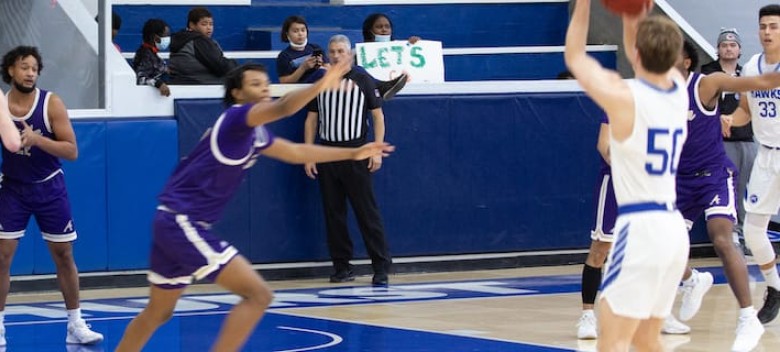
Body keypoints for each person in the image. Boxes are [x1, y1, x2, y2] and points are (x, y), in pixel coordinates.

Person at [115, 59, 393, 352]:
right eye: (255, 84)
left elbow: (296, 152)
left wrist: (351, 154)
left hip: (170, 222)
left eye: (265, 83)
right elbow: (285, 107)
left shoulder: (254, 132)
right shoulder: (237, 118)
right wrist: (324, 82)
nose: (264, 89)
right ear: (237, 93)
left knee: (159, 311)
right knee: (258, 295)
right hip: (183, 223)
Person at [565, 1, 689, 351]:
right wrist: (638, 12)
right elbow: (642, 46)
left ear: (635, 52)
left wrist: (585, 4)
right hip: (673, 228)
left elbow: (575, 57)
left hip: (641, 230)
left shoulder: (623, 97)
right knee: (647, 340)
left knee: (613, 339)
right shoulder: (679, 90)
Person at [672, 38, 780, 351]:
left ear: (687, 61)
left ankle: (748, 318)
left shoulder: (707, 84)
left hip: (713, 177)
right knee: (662, 249)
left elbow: (758, 81)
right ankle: (693, 280)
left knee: (722, 238)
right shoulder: (657, 93)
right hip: (678, 181)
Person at [0, 46, 104, 346]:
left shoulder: (51, 103)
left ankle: (75, 323)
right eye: (24, 67)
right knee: (2, 256)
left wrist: (36, 139)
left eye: (34, 68)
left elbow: (71, 150)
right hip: (13, 188)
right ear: (11, 70)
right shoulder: (2, 106)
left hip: (49, 187)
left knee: (64, 254)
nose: (30, 73)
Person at [576, 115, 691, 340]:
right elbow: (603, 144)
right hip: (616, 183)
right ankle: (588, 315)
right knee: (601, 248)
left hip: (648, 185)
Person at [304, 34, 393, 286]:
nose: (336, 55)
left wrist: (375, 150)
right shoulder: (321, 80)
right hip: (326, 153)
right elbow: (311, 119)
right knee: (334, 214)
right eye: (332, 51)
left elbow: (378, 117)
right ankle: (342, 267)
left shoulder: (362, 79)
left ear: (349, 54)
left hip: (355, 152)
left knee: (367, 212)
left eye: (341, 51)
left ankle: (381, 267)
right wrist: (309, 152)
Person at [728, 4, 780, 328]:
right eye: (763, 26)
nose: (767, 32)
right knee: (752, 231)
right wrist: (729, 120)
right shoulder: (750, 67)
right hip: (766, 155)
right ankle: (775, 287)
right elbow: (745, 111)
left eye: (774, 26)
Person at [701, 28, 754, 251]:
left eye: (733, 45)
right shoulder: (708, 74)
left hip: (747, 140)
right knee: (724, 188)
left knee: (748, 189)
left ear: (739, 49)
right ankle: (728, 234)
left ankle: (747, 234)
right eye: (724, 45)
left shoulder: (747, 74)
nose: (729, 48)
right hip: (720, 142)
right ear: (718, 48)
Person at [169, 7, 237, 85]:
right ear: (192, 25)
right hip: (200, 83)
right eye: (204, 24)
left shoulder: (181, 38)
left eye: (211, 24)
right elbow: (220, 66)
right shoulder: (199, 41)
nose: (209, 28)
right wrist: (237, 67)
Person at [359, 13, 412, 100]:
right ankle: (383, 87)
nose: (384, 30)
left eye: (387, 27)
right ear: (369, 31)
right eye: (379, 27)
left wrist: (412, 45)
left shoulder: (400, 50)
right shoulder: (358, 53)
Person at [276, 15, 328, 84]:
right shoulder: (284, 56)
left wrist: (320, 65)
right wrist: (303, 68)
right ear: (287, 34)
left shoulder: (315, 48)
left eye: (303, 30)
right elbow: (284, 81)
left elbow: (328, 70)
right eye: (295, 31)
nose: (300, 34)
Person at [133, 18, 171, 97]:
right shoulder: (144, 55)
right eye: (165, 35)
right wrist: (159, 84)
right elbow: (140, 79)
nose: (168, 39)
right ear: (155, 37)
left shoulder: (153, 54)